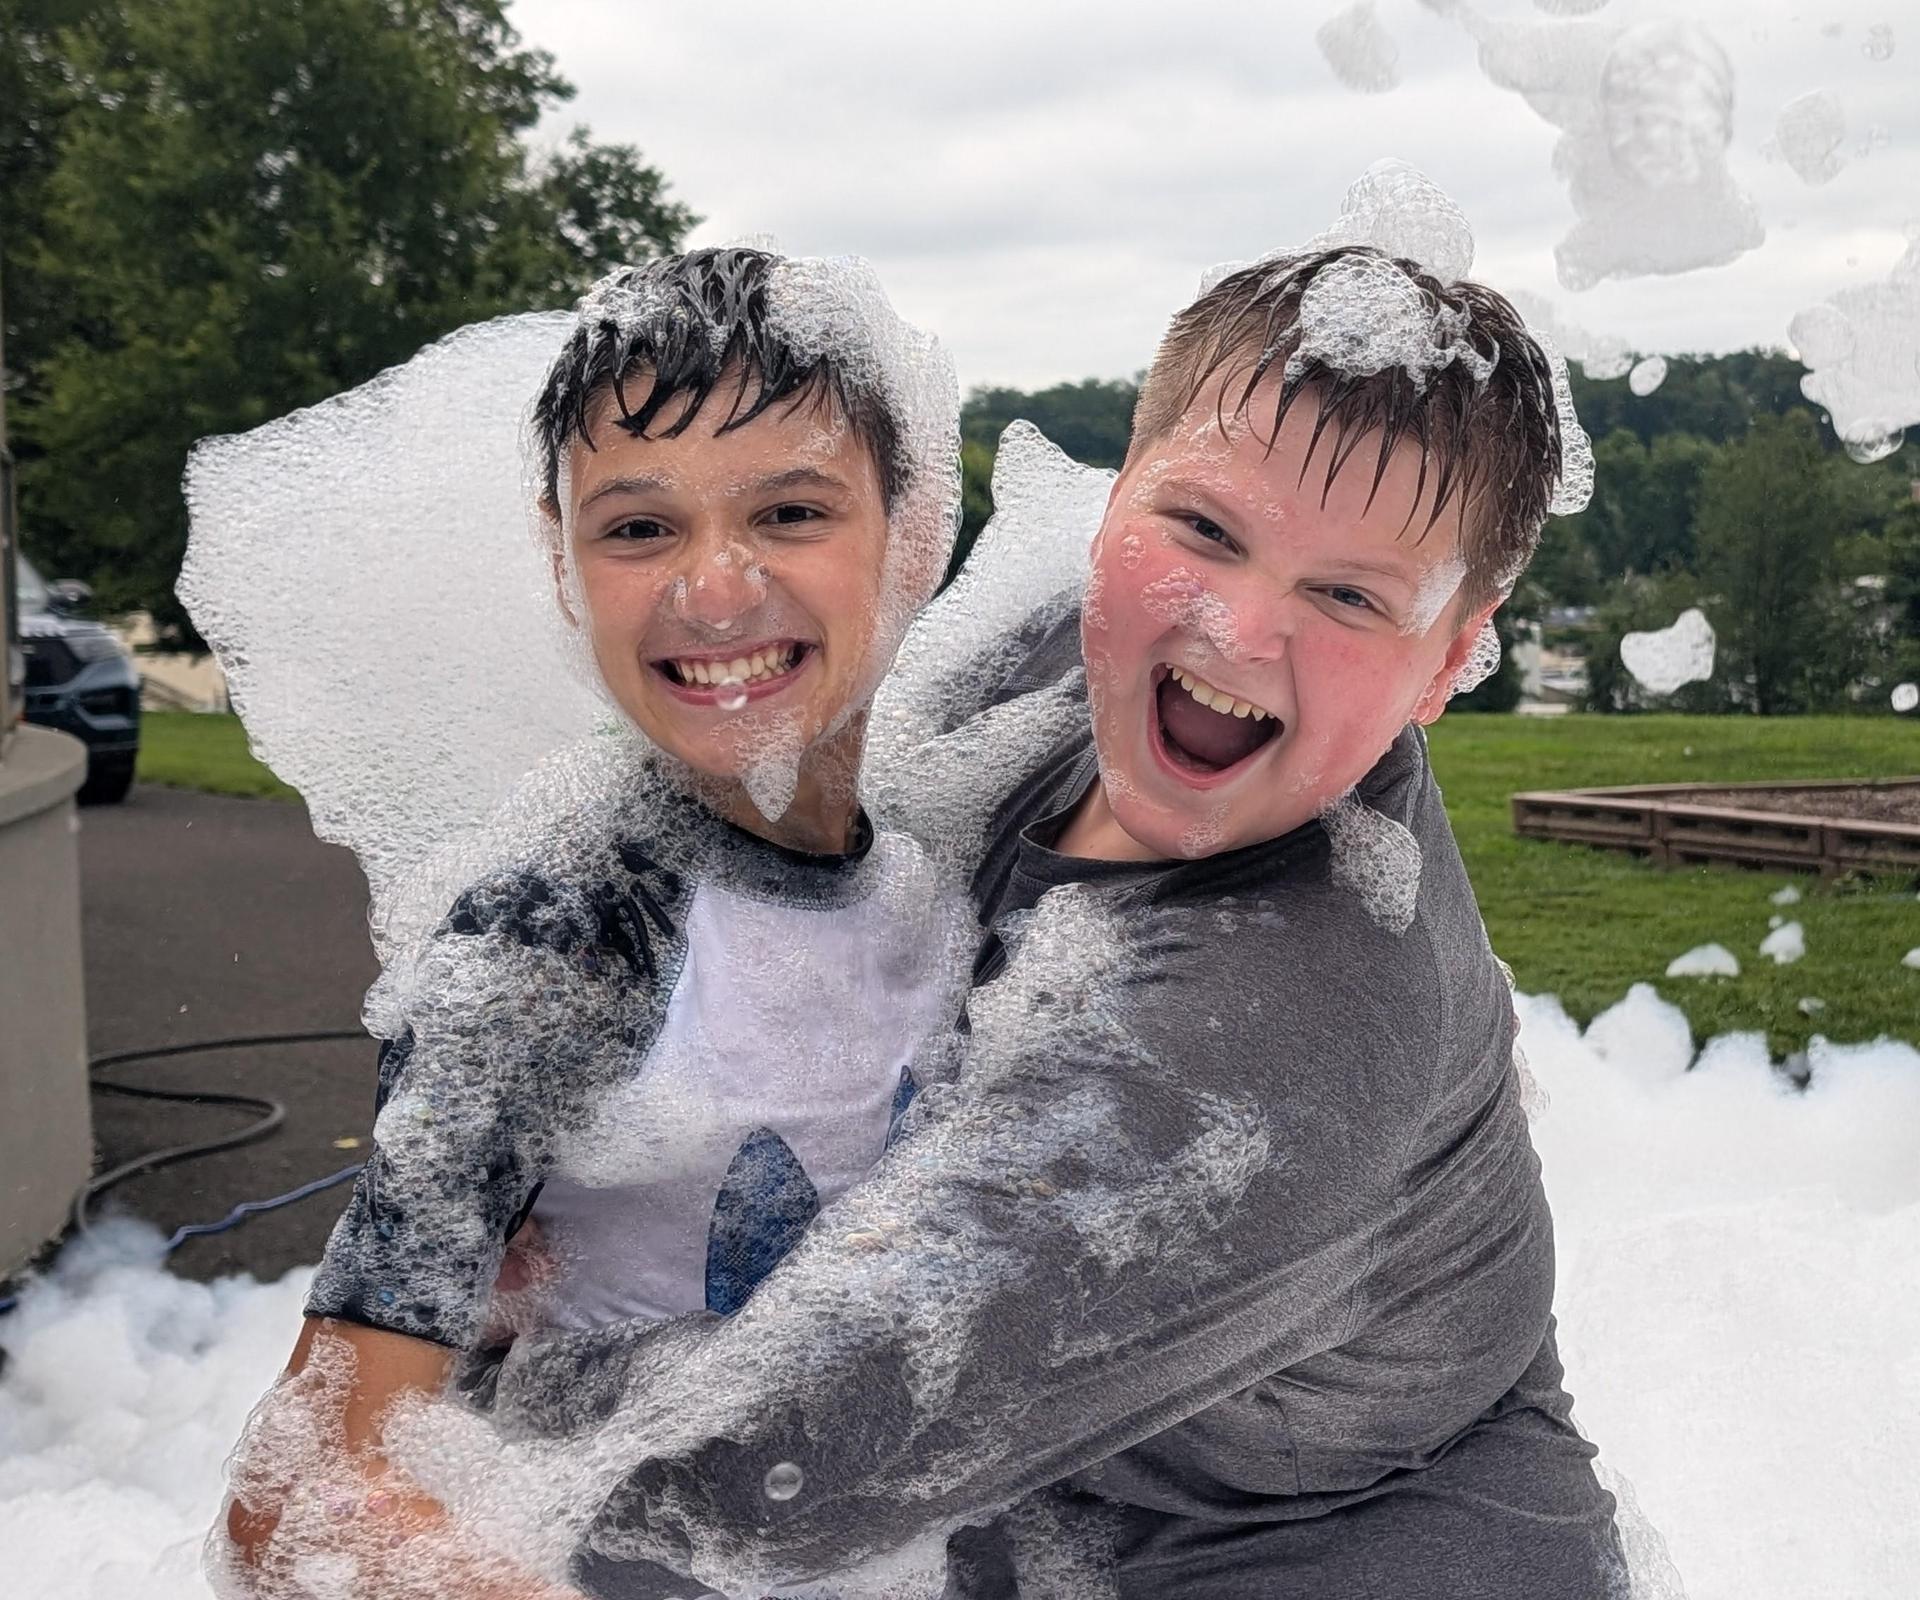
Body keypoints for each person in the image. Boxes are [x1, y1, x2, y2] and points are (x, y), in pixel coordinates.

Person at [461, 245, 1634, 1600]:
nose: (1238, 629)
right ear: (1113, 495)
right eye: (1201, 529)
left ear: (1449, 662)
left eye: (1351, 597)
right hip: (1069, 1506)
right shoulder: (1038, 677)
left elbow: (766, 1480)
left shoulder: (1280, 1027)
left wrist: (466, 1361)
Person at [207, 245, 971, 1599]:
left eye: (791, 512)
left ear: (911, 540)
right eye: (638, 528)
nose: (713, 587)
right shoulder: (561, 935)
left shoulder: (948, 864)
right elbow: (299, 1496)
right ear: (565, 573)